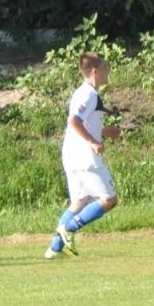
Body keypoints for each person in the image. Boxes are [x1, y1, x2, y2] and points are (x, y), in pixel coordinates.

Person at [45, 52, 119, 258]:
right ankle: (68, 229)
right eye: (105, 67)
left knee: (79, 202)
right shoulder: (89, 94)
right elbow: (74, 121)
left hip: (71, 154)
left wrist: (105, 132)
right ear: (95, 71)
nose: (108, 71)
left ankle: (54, 250)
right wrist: (93, 142)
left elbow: (82, 123)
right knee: (109, 200)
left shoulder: (83, 92)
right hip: (84, 155)